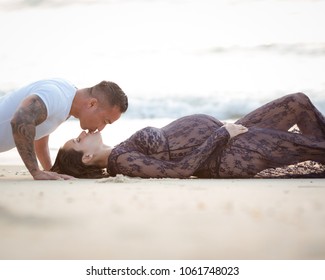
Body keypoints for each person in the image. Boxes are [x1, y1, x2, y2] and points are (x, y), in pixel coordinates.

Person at [51, 93, 325, 179]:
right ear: (86, 157)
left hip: (231, 134)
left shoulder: (122, 150)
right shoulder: (122, 162)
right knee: (313, 147)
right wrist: (221, 134)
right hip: (229, 154)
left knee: (298, 102)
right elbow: (181, 170)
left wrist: (225, 131)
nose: (81, 132)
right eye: (77, 141)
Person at [0, 78, 128, 180]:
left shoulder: (68, 101)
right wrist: (35, 171)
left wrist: (50, 171)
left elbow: (40, 133)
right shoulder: (56, 96)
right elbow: (21, 119)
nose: (100, 129)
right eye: (105, 121)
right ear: (92, 104)